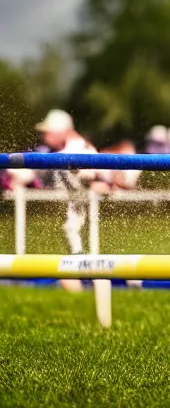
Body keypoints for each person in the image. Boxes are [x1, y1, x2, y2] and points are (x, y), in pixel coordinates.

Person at [33, 109, 100, 292]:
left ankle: (84, 283)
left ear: (62, 131)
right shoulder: (58, 151)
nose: (43, 136)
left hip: (83, 211)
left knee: (77, 242)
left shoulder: (80, 149)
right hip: (71, 212)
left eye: (48, 132)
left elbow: (94, 177)